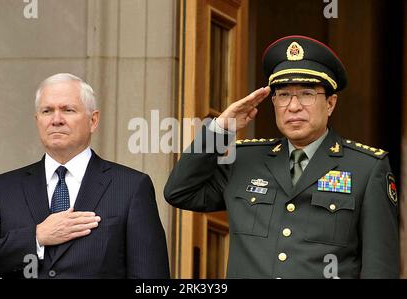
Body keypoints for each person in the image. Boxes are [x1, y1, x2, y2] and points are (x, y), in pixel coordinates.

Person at [164, 35, 399, 278]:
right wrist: (220, 129)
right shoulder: (244, 160)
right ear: (273, 102)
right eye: (284, 95)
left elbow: (380, 268)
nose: (294, 106)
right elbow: (180, 192)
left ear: (330, 103)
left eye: (307, 94)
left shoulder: (366, 168)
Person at [0, 73, 170, 279]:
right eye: (47, 111)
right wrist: (36, 237)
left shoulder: (130, 187)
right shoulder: (3, 188)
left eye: (68, 110)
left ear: (93, 120)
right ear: (37, 120)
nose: (56, 120)